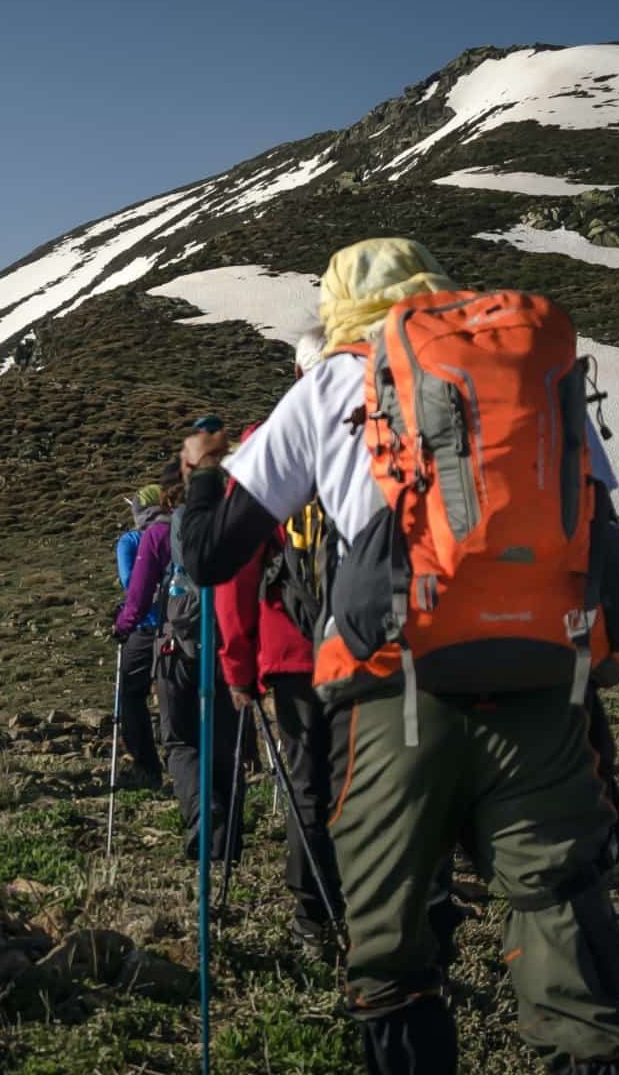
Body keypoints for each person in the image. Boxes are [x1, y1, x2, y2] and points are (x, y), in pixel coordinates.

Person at [171, 238, 619, 1074]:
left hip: (395, 692)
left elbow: (210, 553)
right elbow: (608, 549)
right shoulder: (527, 385)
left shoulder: (333, 380)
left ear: (337, 311)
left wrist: (205, 475)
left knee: (393, 952)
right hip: (542, 687)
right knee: (560, 919)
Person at [212, 401, 339, 948]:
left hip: (294, 652)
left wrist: (237, 666)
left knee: (308, 781)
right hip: (375, 644)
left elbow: (235, 572)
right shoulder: (378, 428)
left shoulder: (269, 448)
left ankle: (315, 914)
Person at [133, 480, 245, 864]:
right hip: (226, 648)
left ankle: (201, 809)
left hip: (176, 644)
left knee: (180, 740)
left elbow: (139, 589)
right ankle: (227, 843)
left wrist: (127, 624)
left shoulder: (159, 534)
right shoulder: (239, 525)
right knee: (224, 744)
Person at [108, 483, 168, 787]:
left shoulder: (131, 541)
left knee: (131, 694)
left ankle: (147, 766)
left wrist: (123, 623)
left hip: (144, 626)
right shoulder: (182, 534)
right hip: (182, 627)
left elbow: (131, 582)